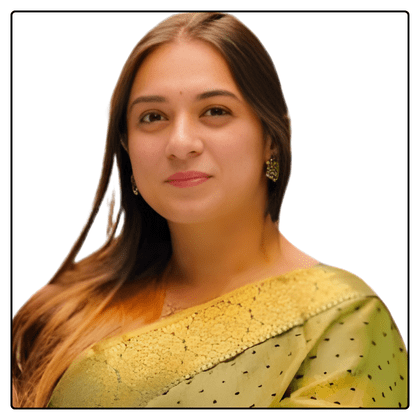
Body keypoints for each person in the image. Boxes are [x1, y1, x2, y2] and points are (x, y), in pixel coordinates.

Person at [12, 12, 407, 408]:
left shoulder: (345, 322)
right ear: (127, 145)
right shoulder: (60, 311)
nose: (181, 143)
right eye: (153, 117)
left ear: (271, 138)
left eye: (215, 111)